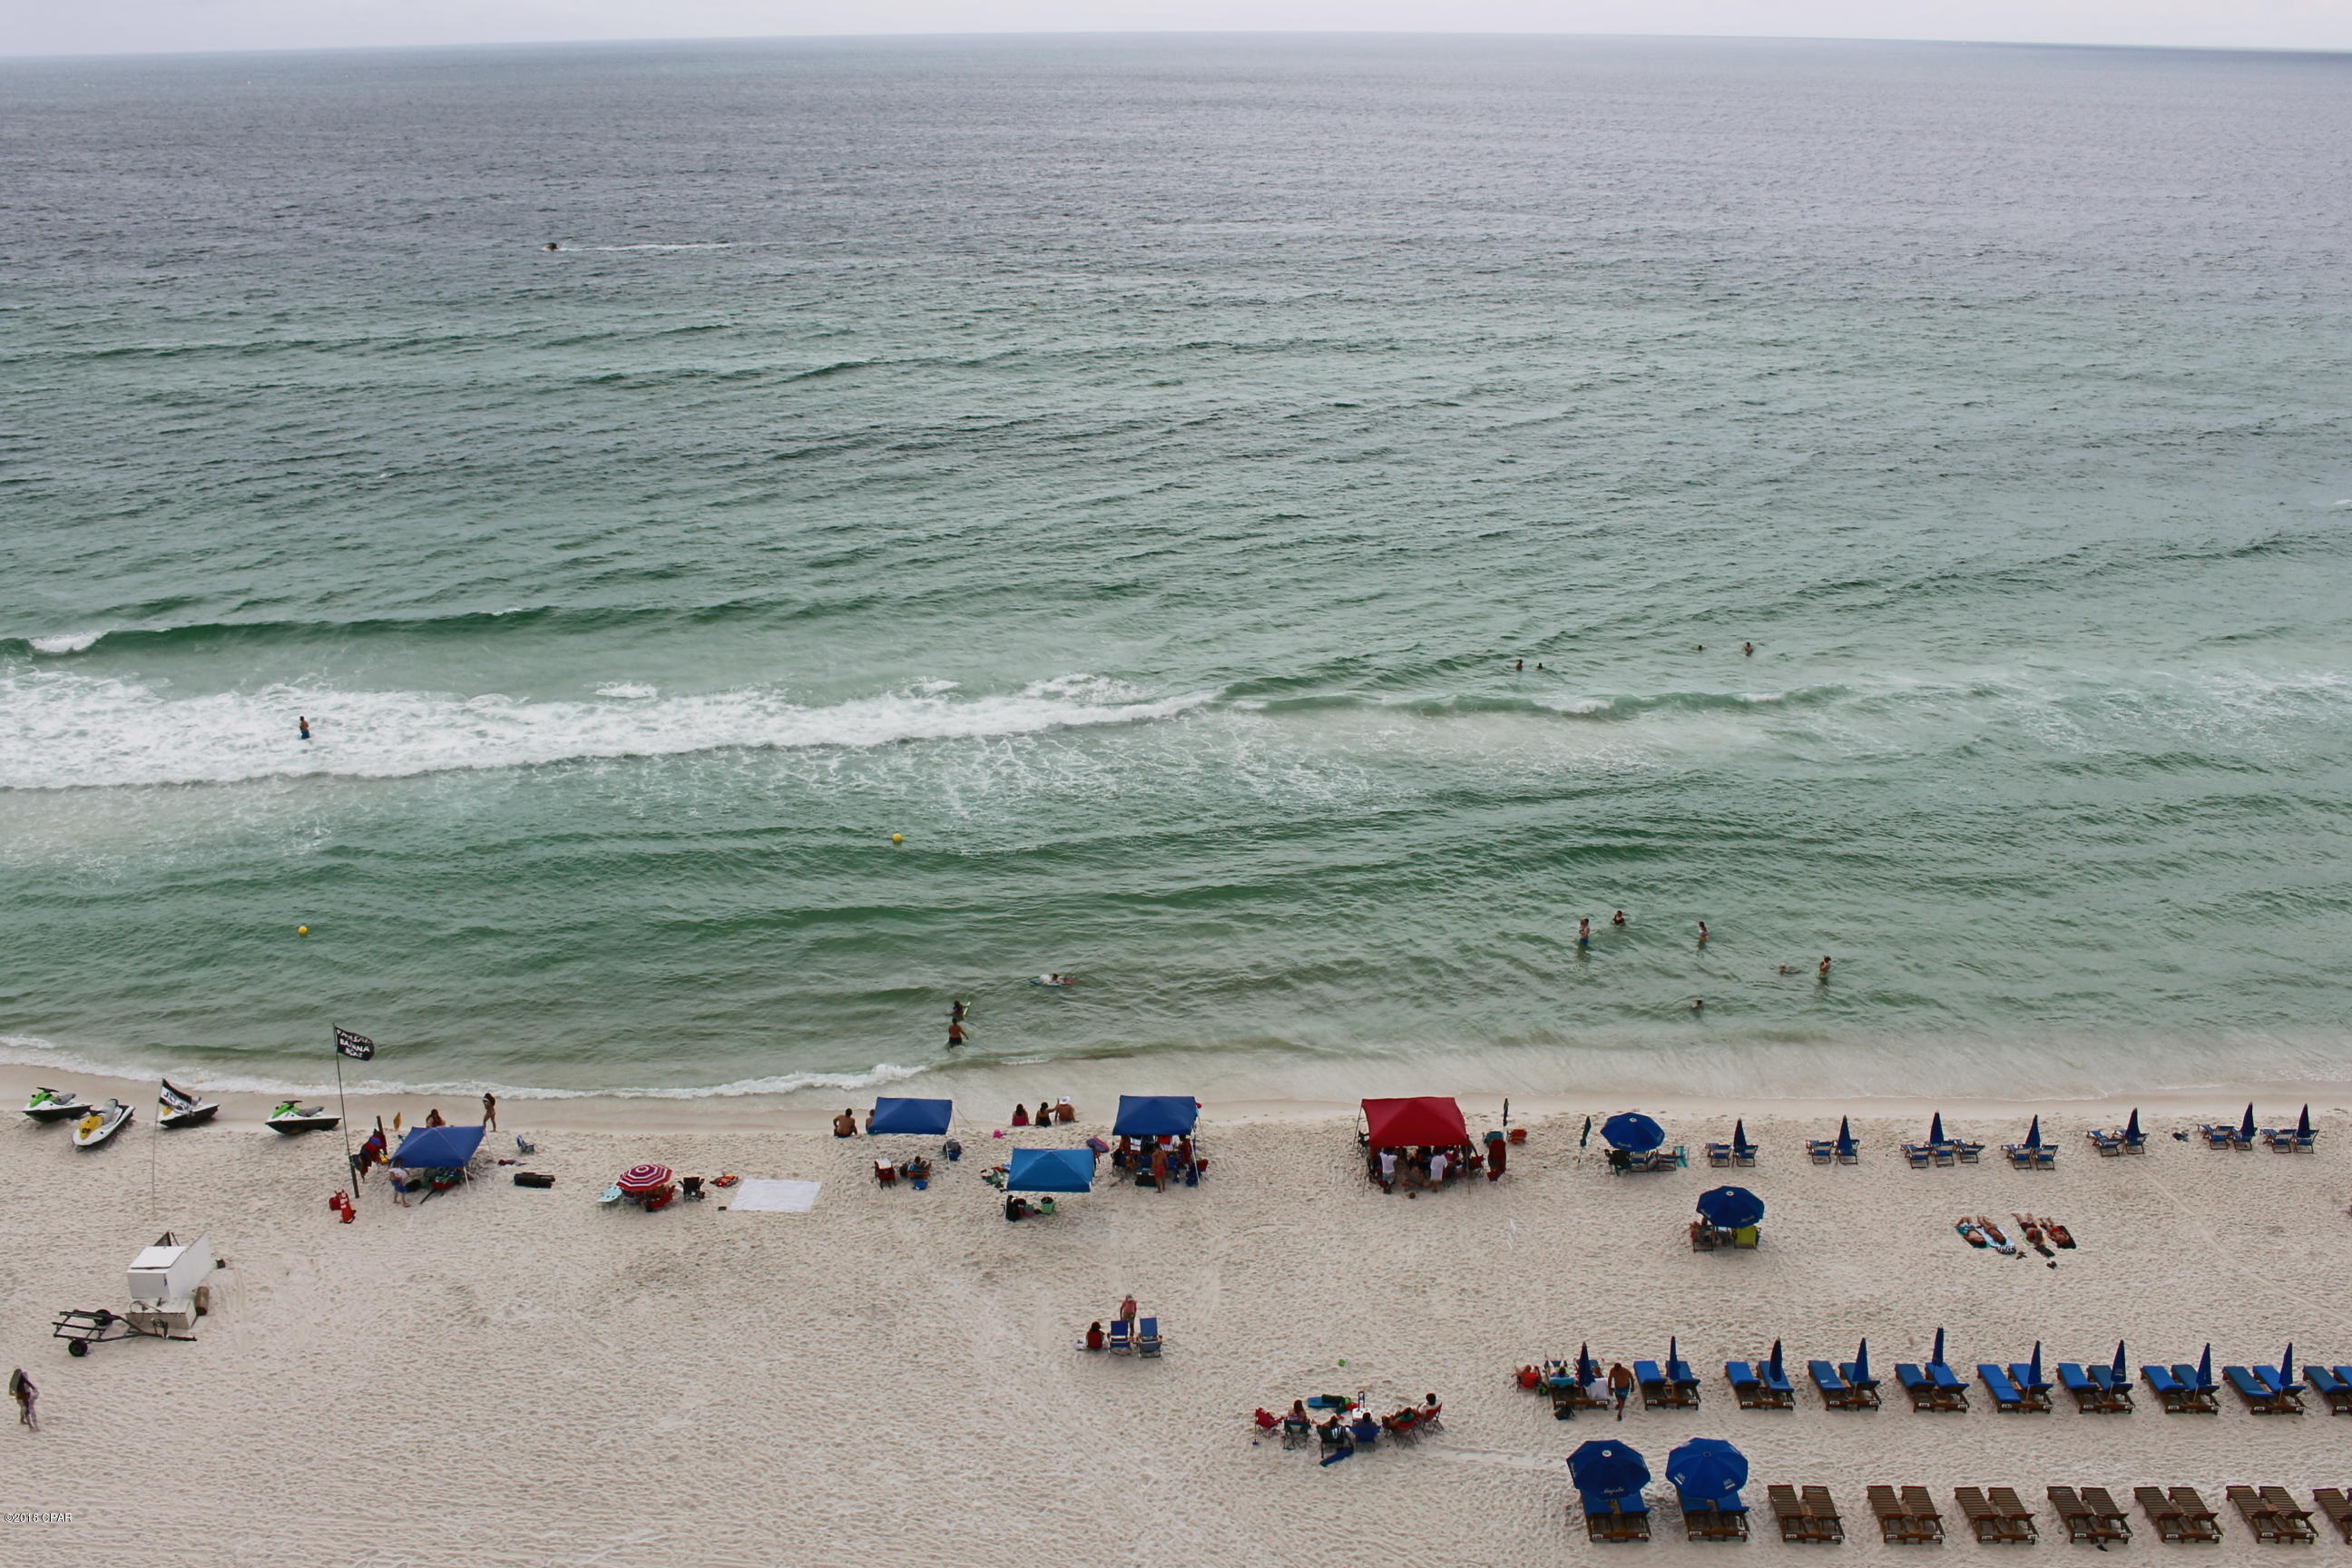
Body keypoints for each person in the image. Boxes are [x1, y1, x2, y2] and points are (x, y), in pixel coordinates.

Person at [10, 1367, 35, 1431]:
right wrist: (15, 1393)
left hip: (24, 1396)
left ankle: (23, 1419)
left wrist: (33, 1387)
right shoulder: (14, 1382)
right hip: (20, 1396)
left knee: (26, 1408)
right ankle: (24, 1420)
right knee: (24, 1408)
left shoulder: (21, 1378)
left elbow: (27, 1382)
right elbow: (11, 1391)